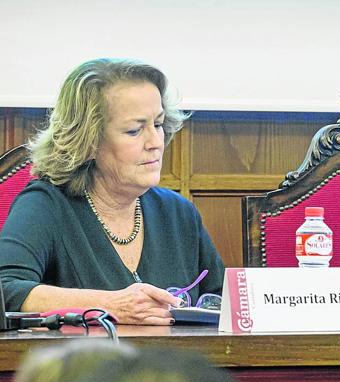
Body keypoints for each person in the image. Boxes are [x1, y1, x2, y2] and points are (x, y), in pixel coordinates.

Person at [0, 58, 224, 325]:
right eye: (134, 130)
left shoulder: (177, 212)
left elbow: (224, 300)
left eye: (159, 124)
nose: (155, 142)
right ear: (88, 140)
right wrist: (111, 304)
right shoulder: (45, 205)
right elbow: (6, 289)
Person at [13, 340, 236, 382]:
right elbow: (9, 287)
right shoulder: (43, 215)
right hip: (79, 352)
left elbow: (219, 292)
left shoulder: (183, 216)